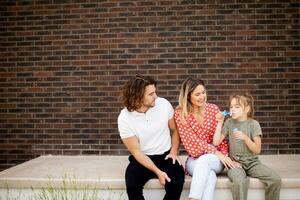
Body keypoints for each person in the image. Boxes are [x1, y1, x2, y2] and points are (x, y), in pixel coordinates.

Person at [117, 75, 185, 200]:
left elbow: (175, 130)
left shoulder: (163, 104)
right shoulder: (124, 118)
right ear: (138, 96)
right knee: (132, 186)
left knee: (176, 183)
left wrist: (174, 151)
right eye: (151, 94)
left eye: (155, 92)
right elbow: (136, 152)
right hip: (142, 158)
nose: (156, 96)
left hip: (166, 156)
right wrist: (158, 172)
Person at [174, 77, 237, 200]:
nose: (202, 96)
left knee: (205, 161)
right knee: (210, 175)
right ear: (188, 96)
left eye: (203, 92)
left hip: (217, 160)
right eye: (197, 94)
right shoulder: (181, 114)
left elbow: (219, 140)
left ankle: (193, 198)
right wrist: (216, 151)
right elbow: (192, 144)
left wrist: (219, 153)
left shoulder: (213, 109)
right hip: (195, 159)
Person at [213, 93, 281, 200]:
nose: (233, 109)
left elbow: (257, 149)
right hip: (235, 163)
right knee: (239, 182)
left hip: (253, 163)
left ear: (247, 109)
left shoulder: (253, 124)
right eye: (231, 107)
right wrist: (219, 123)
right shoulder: (229, 123)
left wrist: (245, 138)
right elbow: (216, 142)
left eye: (237, 107)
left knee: (275, 179)